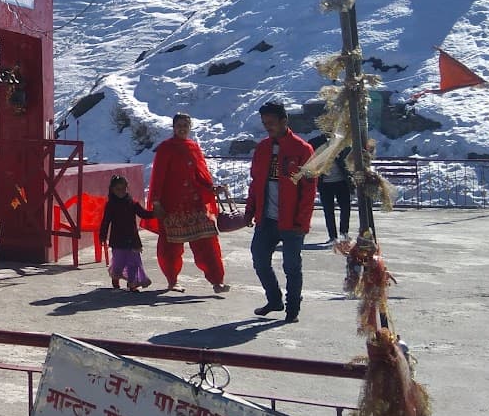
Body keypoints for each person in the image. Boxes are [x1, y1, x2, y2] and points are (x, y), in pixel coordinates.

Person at [243, 100, 317, 323]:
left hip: (292, 221)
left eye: (272, 122)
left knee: (291, 266)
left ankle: (292, 309)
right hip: (266, 218)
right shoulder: (262, 149)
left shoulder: (303, 150)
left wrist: (301, 221)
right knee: (259, 259)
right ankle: (274, 299)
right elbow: (255, 183)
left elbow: (308, 191)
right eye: (265, 123)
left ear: (284, 121)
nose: (268, 127)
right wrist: (250, 210)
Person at [146, 113, 230, 294]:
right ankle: (172, 281)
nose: (182, 128)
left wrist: (211, 189)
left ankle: (217, 281)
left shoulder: (193, 147)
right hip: (173, 207)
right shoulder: (166, 148)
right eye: (179, 125)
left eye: (185, 125)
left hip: (196, 205)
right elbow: (158, 177)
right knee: (171, 247)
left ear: (190, 127)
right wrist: (156, 202)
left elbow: (200, 175)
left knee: (207, 243)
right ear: (173, 127)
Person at [97, 175, 154, 292]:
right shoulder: (111, 205)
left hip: (132, 238)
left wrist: (156, 213)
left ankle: (132, 283)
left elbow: (143, 214)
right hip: (118, 239)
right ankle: (115, 276)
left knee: (133, 262)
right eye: (118, 189)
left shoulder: (132, 203)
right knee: (119, 262)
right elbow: (106, 221)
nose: (121, 192)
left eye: (124, 188)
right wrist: (102, 234)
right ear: (112, 190)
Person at [318, 141, 353, 242]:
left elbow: (349, 162)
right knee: (328, 211)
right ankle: (332, 236)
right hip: (325, 184)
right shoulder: (318, 145)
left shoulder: (343, 146)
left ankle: (344, 232)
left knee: (345, 208)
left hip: (341, 182)